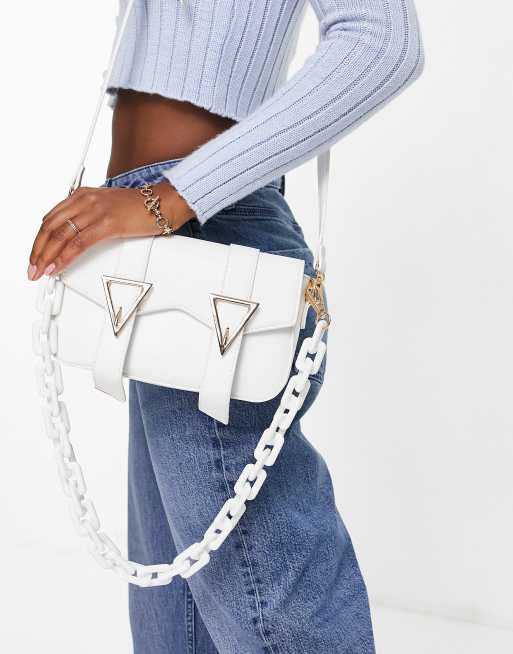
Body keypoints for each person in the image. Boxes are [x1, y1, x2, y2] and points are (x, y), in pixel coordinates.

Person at [28, 1, 424, 652]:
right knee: (176, 629)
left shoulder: (181, 207)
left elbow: (385, 41)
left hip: (208, 231)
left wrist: (170, 197)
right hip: (160, 240)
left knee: (272, 616)